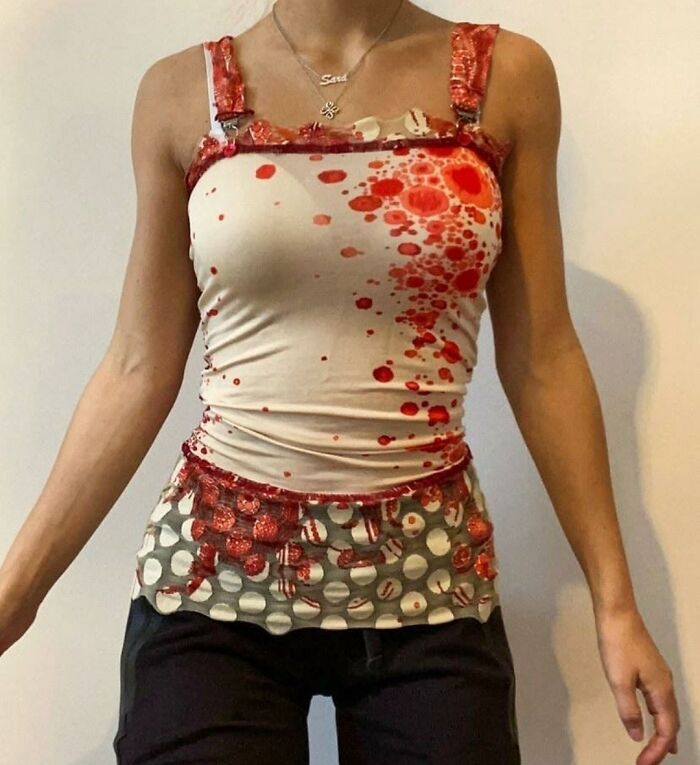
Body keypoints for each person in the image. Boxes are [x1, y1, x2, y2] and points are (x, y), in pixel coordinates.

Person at [0, 1, 682, 763]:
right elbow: (137, 364)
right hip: (214, 581)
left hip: (431, 583)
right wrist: (16, 592)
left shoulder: (505, 78)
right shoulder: (182, 91)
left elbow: (543, 358)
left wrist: (616, 605)